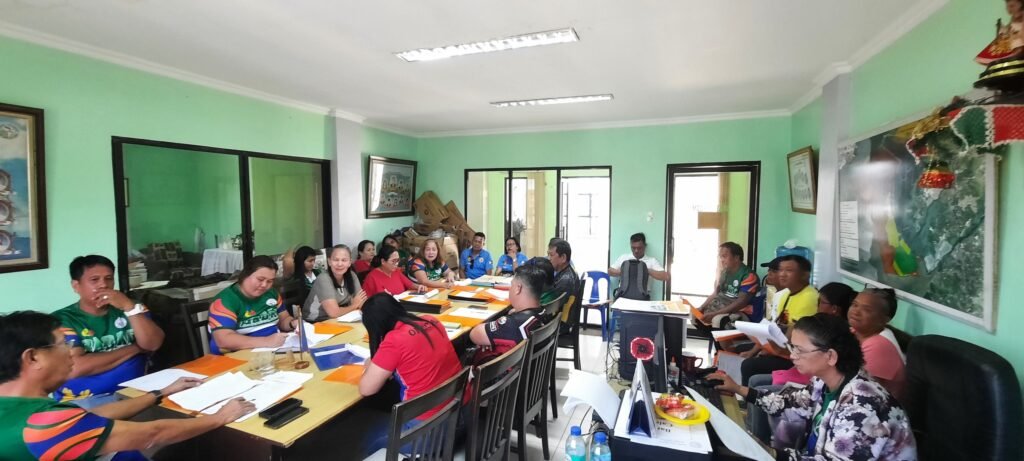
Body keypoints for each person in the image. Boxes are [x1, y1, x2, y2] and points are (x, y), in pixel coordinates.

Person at [0, 311, 255, 461]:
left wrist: (159, 393)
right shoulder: (44, 425)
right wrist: (220, 417)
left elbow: (88, 416)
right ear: (32, 357)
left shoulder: (19, 407)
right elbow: (152, 434)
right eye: (62, 344)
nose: (71, 352)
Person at [710, 314, 917, 460]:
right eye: (792, 347)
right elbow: (789, 402)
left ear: (831, 356)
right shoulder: (825, 381)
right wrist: (738, 389)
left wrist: (770, 453)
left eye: (799, 350)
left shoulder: (860, 407)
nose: (792, 356)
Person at [52, 255, 165, 407]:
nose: (103, 285)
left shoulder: (133, 308)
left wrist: (129, 308)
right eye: (94, 280)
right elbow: (76, 367)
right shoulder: (61, 320)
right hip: (84, 400)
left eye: (109, 279)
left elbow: (153, 344)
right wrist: (136, 348)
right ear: (76, 286)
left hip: (136, 391)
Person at [358, 294, 462, 456]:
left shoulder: (394, 340)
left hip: (430, 432)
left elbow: (366, 389)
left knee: (364, 438)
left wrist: (372, 363)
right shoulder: (430, 321)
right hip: (460, 414)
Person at [739, 255, 818, 385]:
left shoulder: (809, 297)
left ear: (804, 275)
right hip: (779, 348)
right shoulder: (785, 294)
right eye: (781, 270)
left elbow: (789, 340)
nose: (782, 274)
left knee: (749, 365)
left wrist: (770, 350)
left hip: (794, 356)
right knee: (740, 350)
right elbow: (774, 325)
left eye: (789, 270)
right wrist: (755, 349)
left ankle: (748, 395)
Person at [208, 256, 300, 355]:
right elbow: (224, 339)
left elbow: (284, 319)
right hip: (236, 355)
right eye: (260, 279)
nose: (264, 285)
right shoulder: (225, 300)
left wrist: (293, 323)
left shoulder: (271, 293)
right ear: (245, 275)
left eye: (270, 281)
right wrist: (266, 341)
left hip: (273, 350)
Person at [469, 264, 551, 363]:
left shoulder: (512, 324)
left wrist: (494, 333)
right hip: (532, 368)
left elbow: (474, 334)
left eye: (511, 285)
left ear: (518, 288)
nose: (509, 288)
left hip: (509, 371)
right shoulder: (544, 313)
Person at [848, 287, 907, 402]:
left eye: (867, 310)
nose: (856, 311)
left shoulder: (879, 346)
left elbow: (857, 388)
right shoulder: (854, 332)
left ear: (885, 319)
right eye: (855, 305)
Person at [697, 242, 759, 328]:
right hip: (722, 308)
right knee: (696, 316)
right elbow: (715, 294)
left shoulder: (749, 276)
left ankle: (718, 336)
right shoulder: (724, 272)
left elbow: (740, 302)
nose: (721, 260)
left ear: (736, 258)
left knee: (718, 320)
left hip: (741, 312)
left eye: (724, 256)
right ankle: (712, 336)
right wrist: (701, 307)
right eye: (720, 257)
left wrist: (715, 314)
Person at [303, 245, 368, 323]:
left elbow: (361, 301)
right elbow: (333, 313)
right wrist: (354, 305)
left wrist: (357, 304)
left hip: (340, 318)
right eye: (336, 260)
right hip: (316, 321)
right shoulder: (324, 279)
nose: (339, 264)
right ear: (329, 262)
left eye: (344, 260)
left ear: (349, 262)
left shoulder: (352, 275)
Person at [362, 244, 427, 297]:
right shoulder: (371, 277)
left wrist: (419, 287)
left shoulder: (396, 271)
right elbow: (365, 301)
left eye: (398, 260)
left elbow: (409, 284)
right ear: (383, 261)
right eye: (393, 261)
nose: (396, 264)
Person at [548, 240, 579, 334]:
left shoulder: (566, 280)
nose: (549, 259)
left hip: (560, 326)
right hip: (560, 322)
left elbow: (549, 305)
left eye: (551, 255)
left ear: (563, 257)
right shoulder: (565, 272)